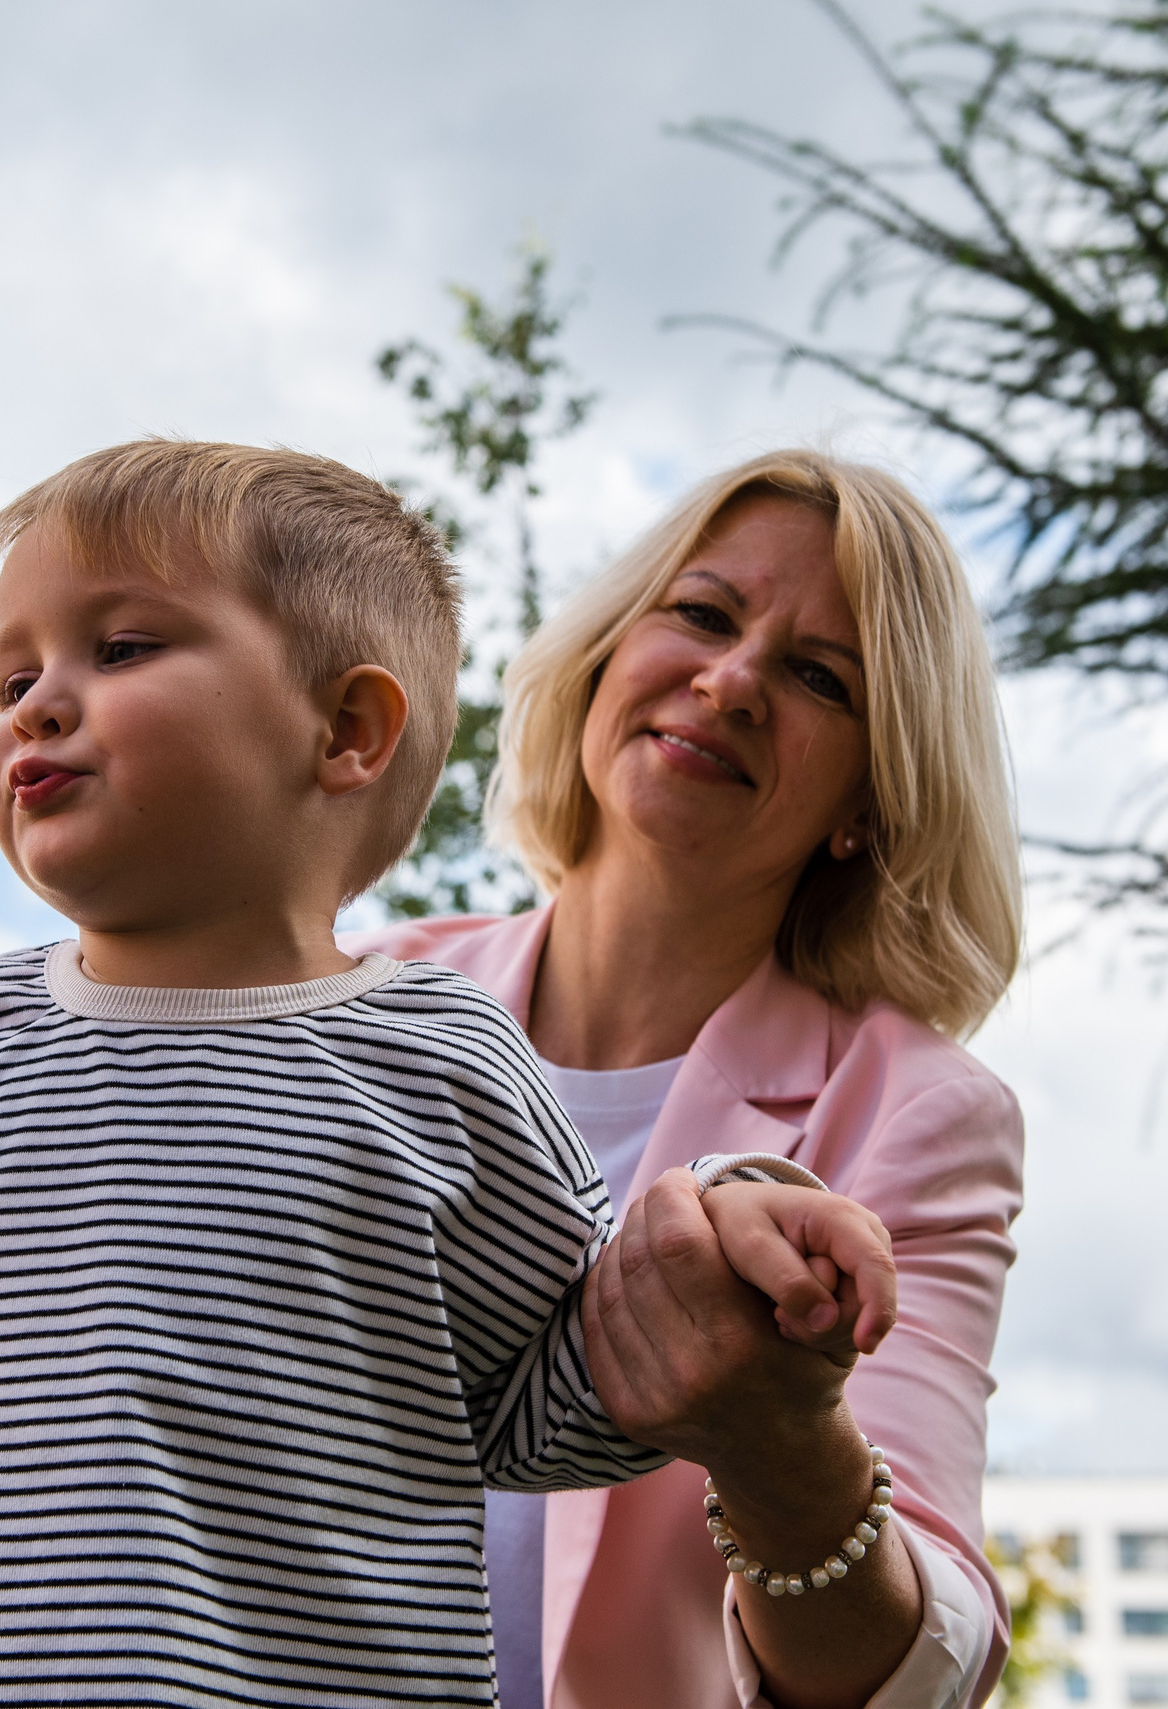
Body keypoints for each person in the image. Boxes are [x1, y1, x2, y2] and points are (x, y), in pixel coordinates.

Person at [0, 440, 850, 1707]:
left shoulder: (440, 1064)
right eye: (14, 675)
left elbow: (550, 1394)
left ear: (345, 730)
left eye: (119, 647)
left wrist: (719, 1264)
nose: (34, 704)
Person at [352, 449, 1025, 1709]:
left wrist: (783, 1452)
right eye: (704, 614)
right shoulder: (352, 998)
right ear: (603, 658)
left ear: (869, 802)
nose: (730, 682)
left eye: (820, 676)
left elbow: (924, 1672)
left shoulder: (919, 1112)